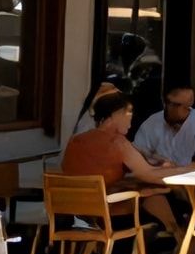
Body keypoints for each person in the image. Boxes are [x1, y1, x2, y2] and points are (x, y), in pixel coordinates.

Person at [62, 90, 187, 242]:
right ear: (116, 113)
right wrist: (183, 173)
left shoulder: (75, 141)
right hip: (106, 214)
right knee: (155, 195)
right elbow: (148, 174)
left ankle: (174, 235)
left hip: (75, 212)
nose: (131, 119)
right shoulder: (117, 143)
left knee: (148, 191)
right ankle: (177, 238)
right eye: (129, 113)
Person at [133, 86, 195, 167]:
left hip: (188, 178)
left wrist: (179, 168)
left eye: (178, 105)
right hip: (154, 175)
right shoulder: (150, 124)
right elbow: (135, 157)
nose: (170, 108)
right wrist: (155, 161)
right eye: (170, 103)